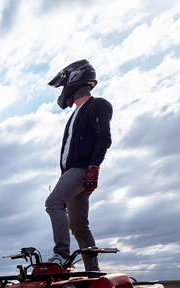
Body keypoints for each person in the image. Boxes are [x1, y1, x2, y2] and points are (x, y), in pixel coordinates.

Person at [46, 59, 112, 272]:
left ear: (75, 80)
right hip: (72, 172)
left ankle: (61, 255)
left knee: (54, 202)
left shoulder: (98, 104)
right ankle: (93, 272)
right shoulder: (75, 114)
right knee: (79, 226)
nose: (64, 90)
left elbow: (104, 138)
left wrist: (94, 167)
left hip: (81, 168)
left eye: (65, 85)